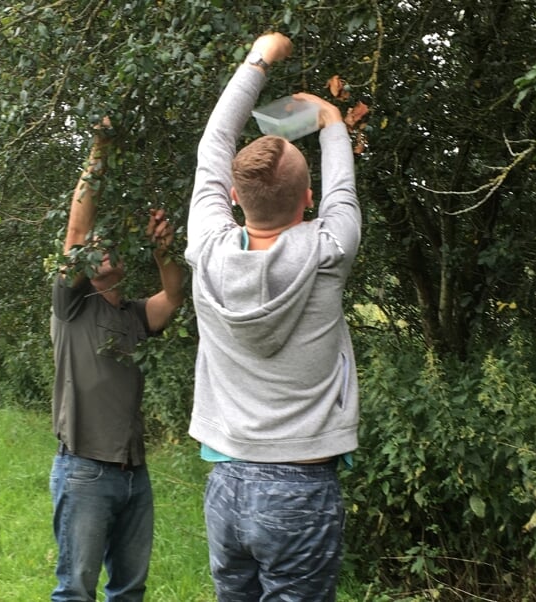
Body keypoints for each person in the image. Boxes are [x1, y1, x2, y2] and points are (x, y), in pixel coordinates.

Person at [185, 32, 362, 602]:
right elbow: (344, 186)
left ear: (233, 197)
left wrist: (260, 58)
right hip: (302, 488)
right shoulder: (329, 249)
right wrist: (331, 120)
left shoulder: (205, 247)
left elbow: (213, 144)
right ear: (309, 199)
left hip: (226, 485)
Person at [49, 120, 185, 602]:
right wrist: (100, 147)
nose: (100, 247)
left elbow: (173, 294)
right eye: (95, 246)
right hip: (84, 469)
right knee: (76, 590)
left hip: (135, 473)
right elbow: (77, 228)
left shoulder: (134, 315)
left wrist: (163, 250)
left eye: (112, 244)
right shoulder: (72, 308)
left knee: (130, 589)